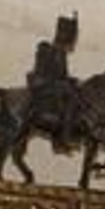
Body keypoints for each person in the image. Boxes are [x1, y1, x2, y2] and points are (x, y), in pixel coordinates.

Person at [28, 13, 81, 150]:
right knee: (71, 100)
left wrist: (71, 80)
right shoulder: (48, 49)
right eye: (69, 38)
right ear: (61, 36)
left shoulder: (61, 53)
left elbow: (62, 75)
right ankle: (63, 136)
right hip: (44, 84)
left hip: (55, 84)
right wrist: (64, 82)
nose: (71, 42)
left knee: (76, 92)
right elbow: (44, 71)